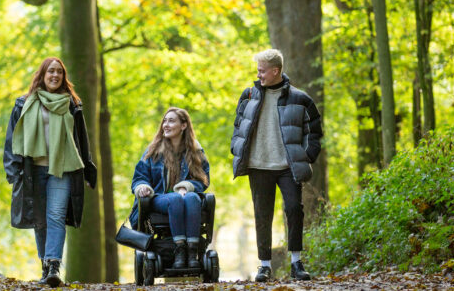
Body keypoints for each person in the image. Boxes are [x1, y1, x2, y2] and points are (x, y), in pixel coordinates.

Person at [3, 57, 97, 287]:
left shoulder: (72, 104)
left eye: (59, 72)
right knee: (40, 221)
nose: (55, 75)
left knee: (55, 216)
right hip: (32, 170)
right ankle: (45, 265)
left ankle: (54, 265)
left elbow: (81, 140)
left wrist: (88, 169)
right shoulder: (24, 103)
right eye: (51, 71)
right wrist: (13, 171)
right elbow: (11, 140)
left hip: (63, 168)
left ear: (63, 77)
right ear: (42, 75)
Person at [230, 49, 322, 282]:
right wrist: (236, 148)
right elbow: (238, 124)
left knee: (294, 209)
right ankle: (264, 265)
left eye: (262, 71)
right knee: (262, 215)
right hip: (258, 165)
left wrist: (306, 156)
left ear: (276, 71)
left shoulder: (300, 98)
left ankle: (296, 262)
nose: (258, 75)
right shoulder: (249, 95)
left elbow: (314, 131)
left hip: (286, 166)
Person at [130, 107, 210, 269]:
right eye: (164, 121)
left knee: (193, 197)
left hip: (187, 199)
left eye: (171, 121)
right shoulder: (153, 151)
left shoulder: (195, 151)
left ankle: (192, 252)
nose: (165, 125)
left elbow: (203, 179)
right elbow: (139, 177)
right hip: (158, 198)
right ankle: (179, 252)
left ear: (184, 125)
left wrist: (186, 187)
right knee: (174, 199)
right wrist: (143, 187)